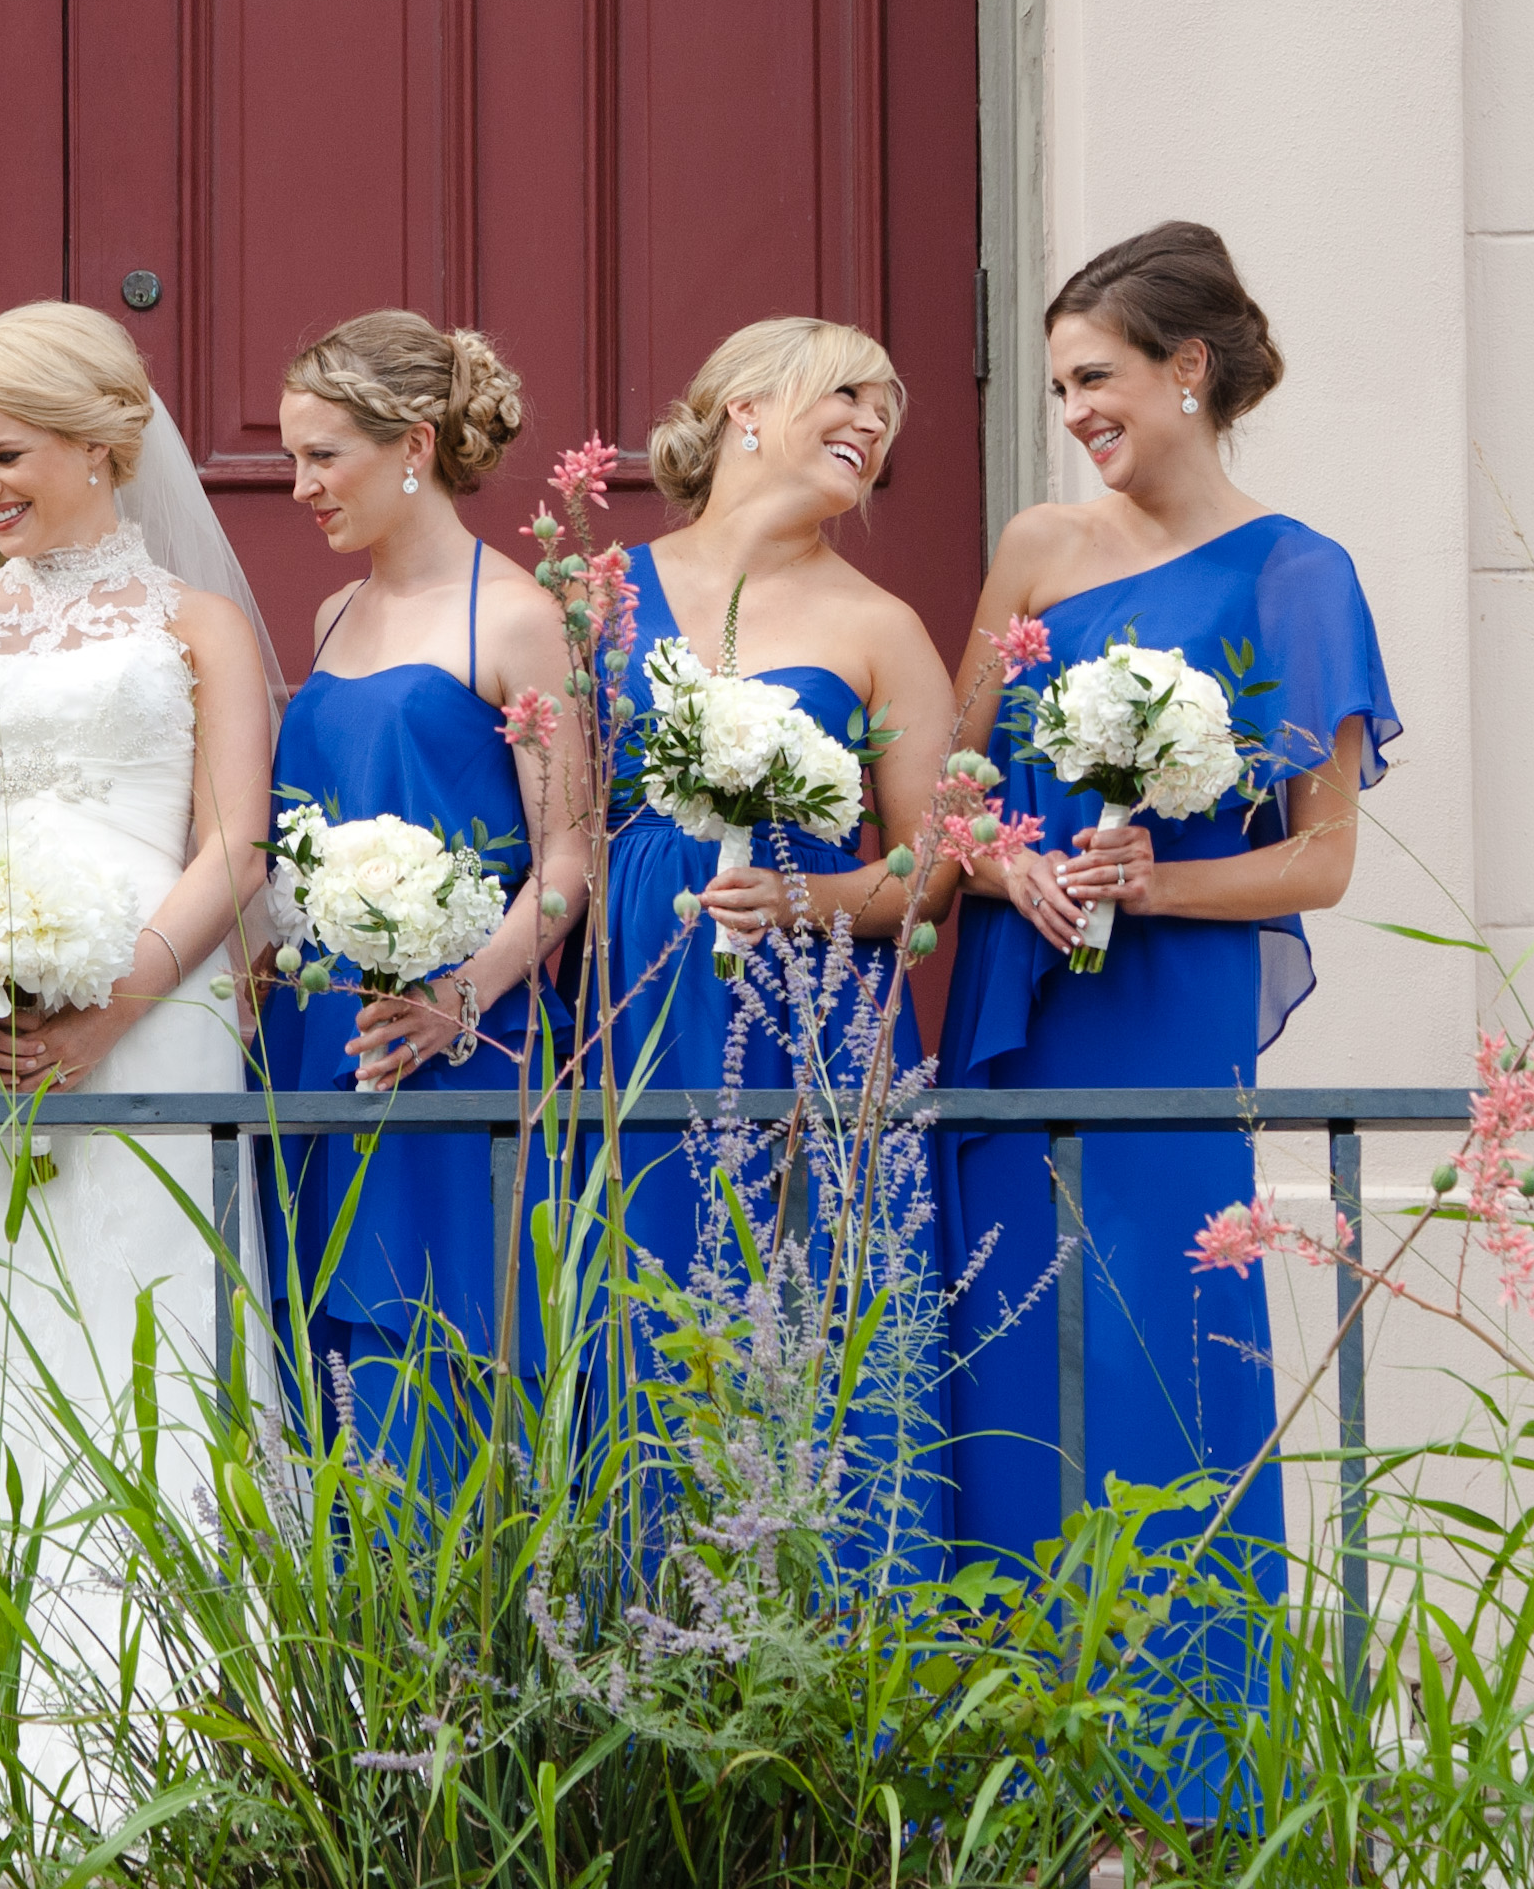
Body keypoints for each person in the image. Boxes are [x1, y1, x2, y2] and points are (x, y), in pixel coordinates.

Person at [937, 220, 1399, 1818]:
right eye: (1060, 387)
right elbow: (951, 793)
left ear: (1188, 367)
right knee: (1001, 1356)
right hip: (1016, 1017)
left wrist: (1156, 884)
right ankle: (1005, 1797)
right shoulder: (1036, 550)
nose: (1075, 412)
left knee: (1164, 1368)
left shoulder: (1298, 578)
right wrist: (1003, 863)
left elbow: (1322, 861)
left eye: (1097, 378)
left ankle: (1190, 1797)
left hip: (1165, 1028)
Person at [0, 301, 280, 1806]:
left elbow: (233, 846)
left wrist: (117, 1005)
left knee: (147, 1348)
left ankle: (173, 1762)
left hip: (154, 1024)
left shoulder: (199, 625)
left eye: (8, 455)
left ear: (105, 444)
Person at [595, 316, 957, 1579]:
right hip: (627, 1005)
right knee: (634, 1296)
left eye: (888, 412)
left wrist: (804, 901)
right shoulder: (598, 591)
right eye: (847, 393)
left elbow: (932, 874)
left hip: (810, 1018)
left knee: (805, 1305)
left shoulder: (882, 626)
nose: (873, 423)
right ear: (745, 407)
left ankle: (834, 1625)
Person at [260, 313, 587, 1483]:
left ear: (412, 445)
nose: (300, 486)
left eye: (323, 456)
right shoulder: (331, 618)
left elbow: (568, 862)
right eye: (294, 458)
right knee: (316, 1344)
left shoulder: (518, 618)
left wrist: (460, 999)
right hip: (319, 1038)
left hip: (459, 1044)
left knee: (437, 1339)